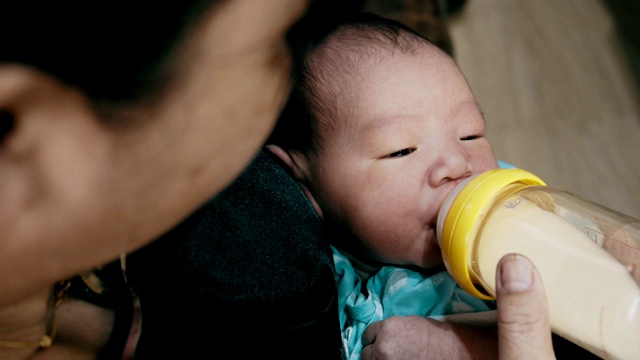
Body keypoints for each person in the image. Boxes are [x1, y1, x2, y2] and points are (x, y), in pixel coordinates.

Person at [0, 1, 560, 359]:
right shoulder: (271, 262)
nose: (456, 166)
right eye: (267, 52)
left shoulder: (504, 222)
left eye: (472, 133)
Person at [266, 12, 599, 359]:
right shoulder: (301, 284)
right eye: (401, 150)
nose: (457, 164)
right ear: (301, 180)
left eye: (471, 133)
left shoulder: (517, 218)